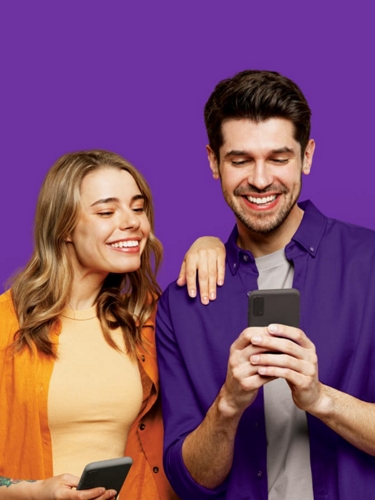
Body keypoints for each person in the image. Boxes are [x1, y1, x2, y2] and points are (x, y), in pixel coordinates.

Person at [156, 70, 375, 500]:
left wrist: (320, 400)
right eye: (240, 160)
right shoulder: (182, 304)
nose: (260, 180)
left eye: (279, 158)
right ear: (213, 162)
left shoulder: (368, 264)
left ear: (306, 157)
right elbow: (190, 482)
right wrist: (228, 404)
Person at [0, 149, 225, 500]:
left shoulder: (151, 318)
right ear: (64, 227)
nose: (133, 221)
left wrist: (209, 245)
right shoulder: (6, 324)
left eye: (138, 208)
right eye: (107, 211)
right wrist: (32, 492)